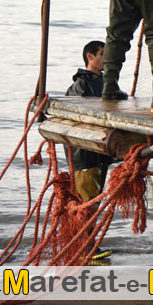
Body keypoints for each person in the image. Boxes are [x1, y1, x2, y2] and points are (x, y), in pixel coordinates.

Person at [65, 41, 113, 204]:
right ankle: (85, 230)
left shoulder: (105, 82)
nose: (107, 59)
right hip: (84, 155)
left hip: (100, 152)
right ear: (89, 56)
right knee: (86, 204)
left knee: (94, 202)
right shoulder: (80, 85)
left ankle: (89, 229)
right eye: (102, 54)